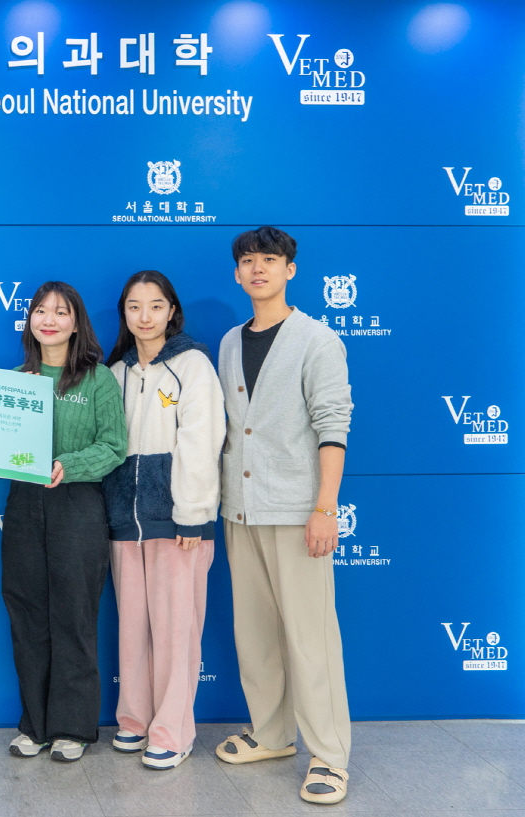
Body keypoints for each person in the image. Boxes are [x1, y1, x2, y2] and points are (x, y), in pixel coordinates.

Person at [214, 227, 353, 804]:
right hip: (240, 509)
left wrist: (325, 508)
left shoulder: (317, 340)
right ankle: (272, 734)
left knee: (310, 638)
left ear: (290, 269)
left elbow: (333, 425)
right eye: (248, 261)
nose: (259, 269)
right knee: (256, 634)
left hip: (298, 511)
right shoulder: (229, 341)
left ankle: (330, 755)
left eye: (270, 259)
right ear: (237, 273)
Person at [101, 271, 225, 770]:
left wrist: (192, 515)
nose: (145, 316)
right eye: (134, 306)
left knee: (176, 631)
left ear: (172, 310)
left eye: (155, 305)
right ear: (124, 313)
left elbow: (202, 441)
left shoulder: (192, 365)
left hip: (176, 522)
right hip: (123, 520)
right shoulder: (115, 372)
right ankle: (134, 719)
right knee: (132, 628)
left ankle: (173, 731)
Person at [1, 281, 127, 763]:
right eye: (40, 311)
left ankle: (73, 727)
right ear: (29, 320)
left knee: (74, 615)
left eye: (60, 312)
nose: (49, 320)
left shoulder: (97, 379)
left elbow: (114, 446)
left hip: (78, 502)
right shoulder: (15, 380)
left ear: (76, 323)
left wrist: (68, 465)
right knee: (27, 614)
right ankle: (34, 725)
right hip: (24, 504)